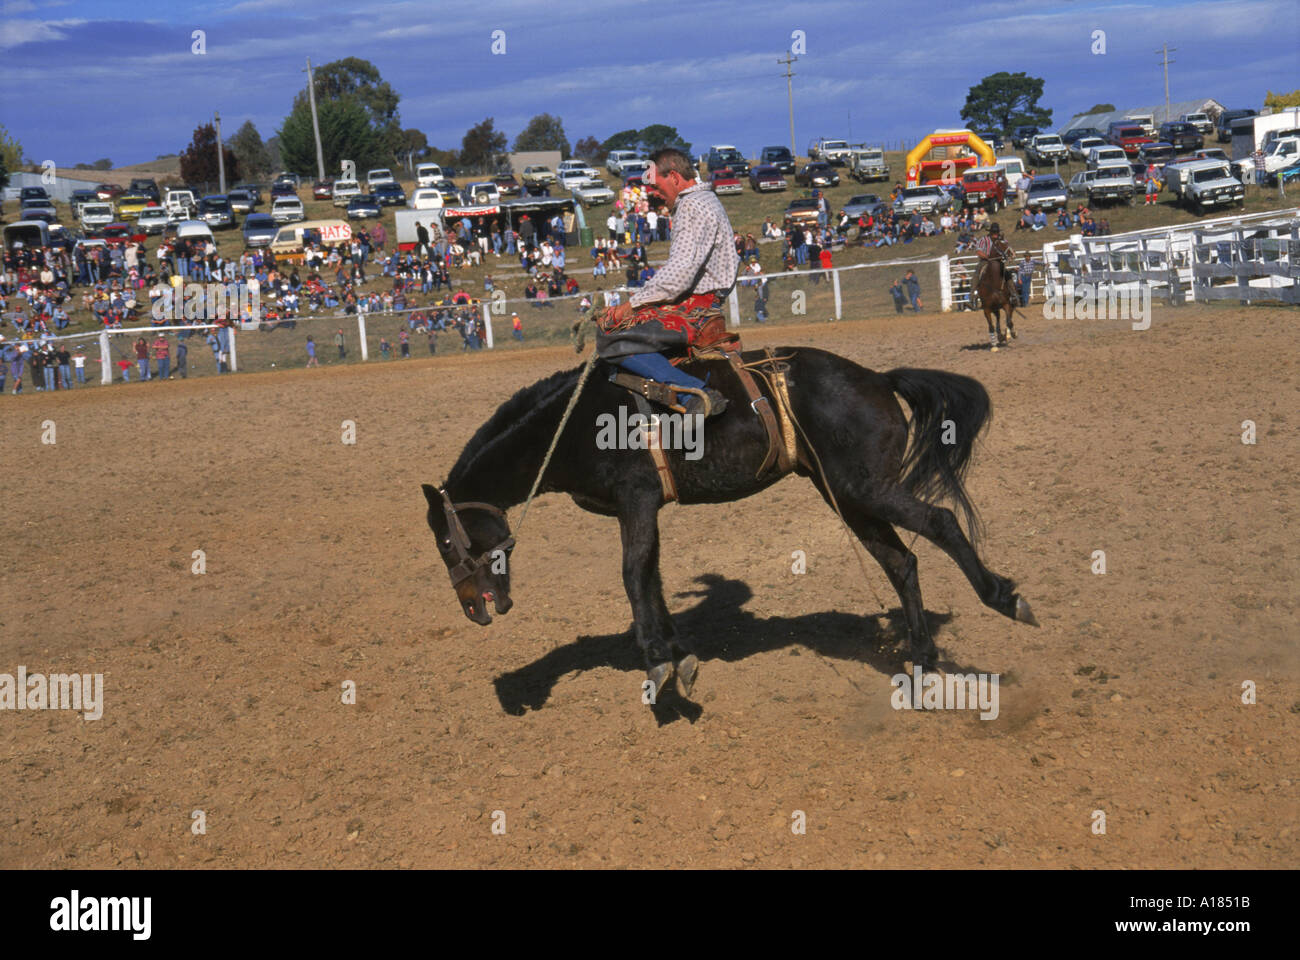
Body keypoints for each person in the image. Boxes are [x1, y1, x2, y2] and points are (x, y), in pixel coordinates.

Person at [591, 148, 738, 417]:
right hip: (699, 301)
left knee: (610, 337)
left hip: (695, 307)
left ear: (673, 176)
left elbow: (680, 274)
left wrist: (628, 308)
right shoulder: (705, 200)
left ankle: (693, 393)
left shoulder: (692, 206)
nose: (654, 194)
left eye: (656, 186)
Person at [972, 222, 1018, 306]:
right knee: (977, 272)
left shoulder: (1002, 240)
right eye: (994, 232)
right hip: (985, 261)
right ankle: (973, 295)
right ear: (990, 232)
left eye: (996, 232)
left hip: (998, 261)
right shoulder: (984, 239)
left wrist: (1010, 254)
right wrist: (986, 257)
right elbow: (978, 251)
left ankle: (1013, 294)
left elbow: (1008, 248)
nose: (995, 234)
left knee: (1007, 274)